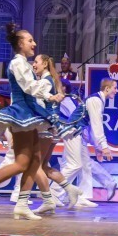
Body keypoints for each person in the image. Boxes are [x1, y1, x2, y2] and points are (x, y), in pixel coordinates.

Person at [0, 24, 64, 219]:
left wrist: (49, 96)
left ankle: (21, 204)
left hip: (30, 111)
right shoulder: (17, 63)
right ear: (20, 44)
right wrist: (48, 90)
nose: (34, 44)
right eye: (30, 41)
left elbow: (32, 89)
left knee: (35, 160)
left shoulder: (24, 64)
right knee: (21, 163)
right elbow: (29, 87)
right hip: (21, 113)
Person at [30, 54, 85, 214]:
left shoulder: (45, 81)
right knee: (42, 166)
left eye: (36, 62)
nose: (33, 65)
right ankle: (70, 189)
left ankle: (48, 200)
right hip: (52, 127)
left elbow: (34, 95)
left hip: (45, 127)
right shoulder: (52, 80)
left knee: (34, 166)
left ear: (45, 64)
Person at [49, 83, 107, 208]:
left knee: (85, 166)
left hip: (78, 132)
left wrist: (97, 146)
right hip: (72, 132)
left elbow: (89, 123)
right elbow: (85, 121)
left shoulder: (93, 100)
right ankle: (54, 193)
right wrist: (102, 145)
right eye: (115, 88)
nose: (117, 91)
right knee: (74, 165)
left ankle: (82, 196)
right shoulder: (94, 100)